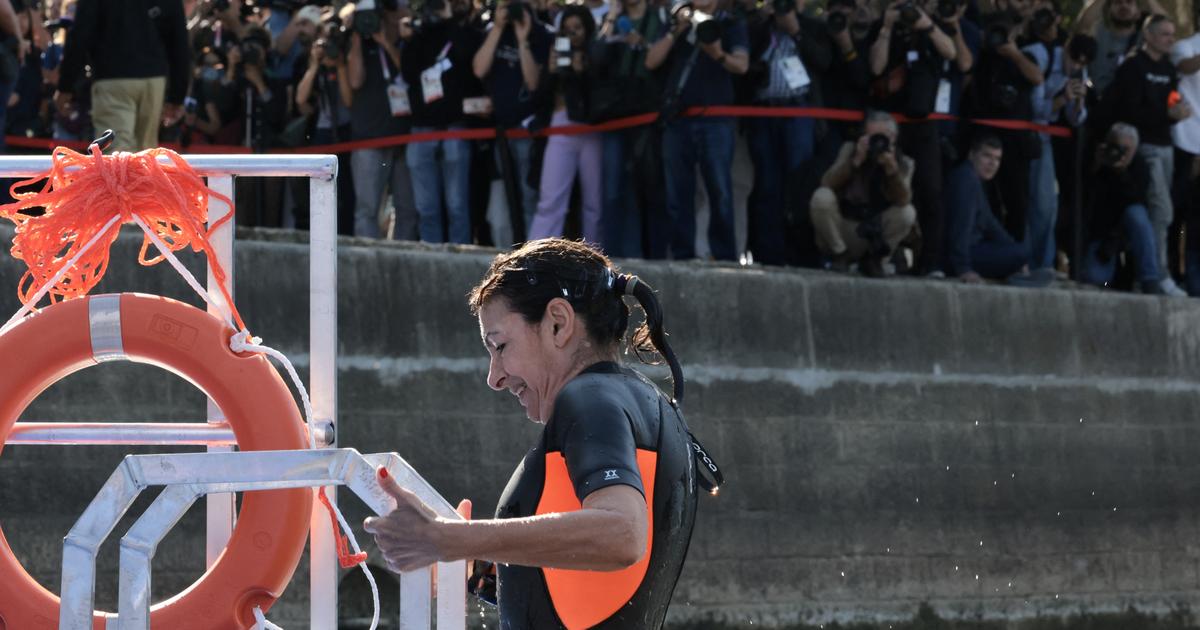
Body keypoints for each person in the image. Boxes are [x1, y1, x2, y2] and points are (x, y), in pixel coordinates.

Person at [364, 238, 717, 629]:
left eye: (499, 346)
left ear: (558, 323)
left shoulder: (589, 398)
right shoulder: (642, 402)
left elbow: (623, 535)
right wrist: (473, 566)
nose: (493, 377)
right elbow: (585, 593)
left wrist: (449, 537)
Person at [645, 0, 749, 261]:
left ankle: (724, 256)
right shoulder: (676, 22)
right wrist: (675, 31)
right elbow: (651, 61)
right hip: (678, 121)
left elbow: (742, 65)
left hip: (716, 121)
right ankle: (682, 255)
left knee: (720, 191)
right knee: (678, 194)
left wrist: (718, 53)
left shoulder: (731, 23)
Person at [742, 0, 831, 266]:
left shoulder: (813, 27)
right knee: (768, 187)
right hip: (764, 115)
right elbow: (745, 62)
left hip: (799, 115)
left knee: (800, 185)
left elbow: (824, 62)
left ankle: (803, 256)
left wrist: (795, 31)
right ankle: (770, 256)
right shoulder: (758, 27)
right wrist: (763, 21)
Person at [1107, 14, 1191, 285]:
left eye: (1172, 34)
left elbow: (1171, 100)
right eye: (1165, 34)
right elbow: (1131, 111)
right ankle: (1157, 274)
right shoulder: (1133, 66)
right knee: (1161, 209)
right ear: (1149, 36)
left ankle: (1145, 272)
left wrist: (1177, 111)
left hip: (1166, 145)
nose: (1171, 39)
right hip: (1144, 148)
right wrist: (1167, 114)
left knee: (1160, 213)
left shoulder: (1167, 68)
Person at [400, 0, 485, 244]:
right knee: (426, 209)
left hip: (454, 129)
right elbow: (407, 72)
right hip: (422, 130)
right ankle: (430, 259)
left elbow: (466, 58)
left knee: (457, 206)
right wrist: (411, 36)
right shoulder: (418, 35)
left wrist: (448, 18)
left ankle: (458, 259)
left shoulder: (464, 32)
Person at [56, 0, 191, 152]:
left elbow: (80, 34)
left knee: (115, 155)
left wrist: (65, 86)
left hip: (113, 78)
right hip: (153, 80)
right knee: (146, 156)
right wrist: (177, 96)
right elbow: (179, 40)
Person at [527, 5, 603, 244]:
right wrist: (550, 71)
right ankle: (538, 255)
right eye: (567, 30)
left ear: (588, 29)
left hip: (593, 130)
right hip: (560, 125)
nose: (572, 35)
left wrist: (584, 70)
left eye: (577, 29)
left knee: (595, 203)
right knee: (550, 200)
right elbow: (540, 97)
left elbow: (602, 97)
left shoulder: (597, 51)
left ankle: (597, 260)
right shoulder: (557, 52)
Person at [809, 110, 917, 277]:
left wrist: (892, 171)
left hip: (875, 234)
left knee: (907, 212)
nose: (876, 143)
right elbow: (827, 183)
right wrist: (855, 162)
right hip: (844, 227)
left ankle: (873, 260)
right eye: (871, 137)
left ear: (893, 138)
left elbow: (903, 199)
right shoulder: (850, 150)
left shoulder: (904, 162)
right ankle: (840, 255)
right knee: (821, 196)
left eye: (882, 138)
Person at [1084, 122, 1186, 295]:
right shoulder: (1099, 160)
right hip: (1103, 230)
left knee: (1137, 213)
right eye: (1117, 147)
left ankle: (1149, 279)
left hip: (1130, 229)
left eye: (1126, 149)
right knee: (1096, 279)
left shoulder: (1140, 165)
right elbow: (1088, 198)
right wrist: (1096, 167)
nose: (1120, 153)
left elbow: (1136, 199)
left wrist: (1122, 172)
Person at [943, 134, 1032, 282]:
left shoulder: (975, 180)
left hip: (972, 248)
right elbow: (960, 227)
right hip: (957, 257)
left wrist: (1014, 253)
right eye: (987, 156)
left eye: (997, 159)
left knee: (1019, 250)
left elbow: (991, 224)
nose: (992, 163)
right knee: (1022, 252)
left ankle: (1013, 271)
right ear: (971, 155)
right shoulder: (966, 180)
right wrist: (963, 269)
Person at [1074, 0, 1167, 92]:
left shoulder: (1146, 37)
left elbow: (1166, 25)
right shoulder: (1098, 32)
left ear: (1138, 12)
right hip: (1100, 101)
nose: (1124, 6)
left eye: (1129, 2)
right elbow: (1082, 26)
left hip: (1134, 102)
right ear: (1109, 10)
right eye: (1118, 2)